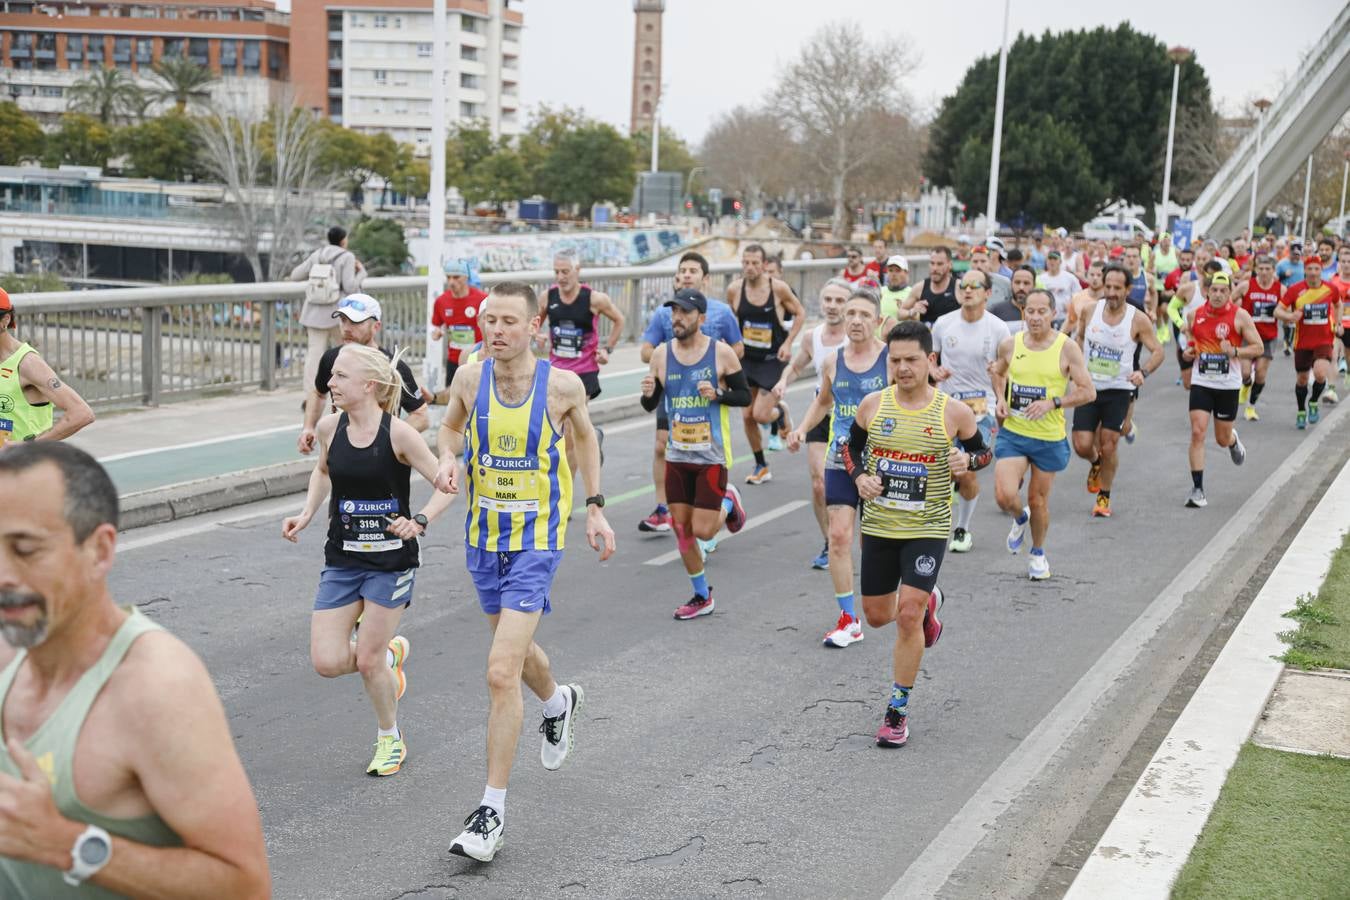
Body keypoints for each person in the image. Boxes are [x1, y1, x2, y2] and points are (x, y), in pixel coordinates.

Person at [0, 442, 270, 897]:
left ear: (100, 551)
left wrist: (66, 844)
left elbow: (246, 886)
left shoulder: (154, 686)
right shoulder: (10, 649)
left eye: (25, 550)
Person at [434, 282, 616, 863]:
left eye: (510, 321)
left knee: (498, 671)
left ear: (535, 326)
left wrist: (595, 508)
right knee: (519, 654)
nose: (497, 331)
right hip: (483, 539)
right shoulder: (469, 378)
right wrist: (447, 459)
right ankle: (558, 700)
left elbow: (586, 440)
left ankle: (491, 813)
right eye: (490, 321)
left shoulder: (561, 385)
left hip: (537, 539)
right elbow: (449, 428)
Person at [283, 344, 452, 776]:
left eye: (340, 376)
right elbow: (323, 471)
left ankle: (389, 738)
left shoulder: (398, 434)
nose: (331, 384)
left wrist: (419, 521)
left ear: (369, 386)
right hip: (342, 559)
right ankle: (389, 656)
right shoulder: (328, 428)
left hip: (389, 564)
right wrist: (306, 514)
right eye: (332, 376)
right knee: (326, 661)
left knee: (365, 662)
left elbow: (446, 486)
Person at [842, 320, 990, 747]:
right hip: (880, 526)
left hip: (927, 527)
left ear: (931, 361)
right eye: (895, 360)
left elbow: (982, 451)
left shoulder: (952, 412)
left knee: (907, 615)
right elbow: (849, 449)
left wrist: (968, 463)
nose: (903, 368)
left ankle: (897, 709)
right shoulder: (873, 405)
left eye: (911, 360)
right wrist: (860, 476)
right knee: (875, 615)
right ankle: (930, 602)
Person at [640, 289, 751, 620]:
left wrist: (718, 394)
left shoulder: (721, 354)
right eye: (674, 312)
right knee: (681, 528)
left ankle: (729, 500)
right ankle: (702, 595)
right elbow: (651, 403)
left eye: (685, 313)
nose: (677, 318)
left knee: (704, 531)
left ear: (701, 319)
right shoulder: (661, 355)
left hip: (709, 459)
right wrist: (647, 395)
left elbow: (744, 396)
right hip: (677, 457)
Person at [786, 287, 888, 646]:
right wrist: (800, 429)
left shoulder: (891, 360)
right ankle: (849, 618)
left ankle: (914, 598)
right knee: (840, 536)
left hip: (885, 463)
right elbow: (825, 401)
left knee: (882, 543)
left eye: (864, 315)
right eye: (851, 314)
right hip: (841, 457)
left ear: (877, 321)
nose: (856, 321)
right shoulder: (833, 361)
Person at [991, 289, 1096, 580]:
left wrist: (1053, 403)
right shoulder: (1010, 345)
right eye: (1030, 311)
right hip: (1014, 432)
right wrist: (1000, 397)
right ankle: (1018, 517)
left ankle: (1037, 553)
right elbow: (997, 372)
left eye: (1042, 312)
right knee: (1004, 495)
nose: (1035, 317)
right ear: (1023, 313)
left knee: (1037, 500)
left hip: (1048, 437)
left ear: (1053, 313)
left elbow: (1088, 392)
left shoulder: (1066, 348)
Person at [638, 252, 743, 535]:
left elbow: (738, 349)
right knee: (662, 445)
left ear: (705, 278)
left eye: (692, 270)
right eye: (682, 270)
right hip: (673, 388)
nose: (686, 275)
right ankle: (663, 508)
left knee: (702, 528)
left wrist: (716, 370)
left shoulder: (721, 312)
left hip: (707, 411)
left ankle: (722, 501)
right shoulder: (663, 314)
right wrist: (658, 366)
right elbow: (646, 350)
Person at [1071, 265, 1164, 517]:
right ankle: (1095, 462)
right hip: (1090, 388)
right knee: (1081, 445)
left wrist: (1142, 373)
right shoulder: (1090, 311)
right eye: (1108, 287)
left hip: (1119, 390)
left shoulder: (1137, 319)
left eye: (1117, 288)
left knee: (1109, 444)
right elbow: (1079, 339)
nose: (1111, 292)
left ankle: (1104, 497)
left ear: (1128, 289)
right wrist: (1076, 365)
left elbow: (1158, 351)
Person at [774, 278, 852, 569]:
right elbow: (797, 365)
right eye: (828, 300)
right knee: (820, 485)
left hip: (853, 418)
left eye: (839, 300)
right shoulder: (813, 336)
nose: (832, 306)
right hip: (822, 413)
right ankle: (830, 541)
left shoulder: (858, 337)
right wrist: (783, 381)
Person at [931, 268, 1010, 552]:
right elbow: (930, 356)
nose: (967, 290)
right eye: (963, 285)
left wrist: (1001, 398)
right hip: (946, 408)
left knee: (967, 470)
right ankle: (936, 520)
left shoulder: (998, 328)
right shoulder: (943, 324)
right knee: (942, 470)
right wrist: (934, 370)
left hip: (982, 409)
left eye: (975, 285)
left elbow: (1004, 368)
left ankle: (962, 528)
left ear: (987, 293)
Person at [298, 295, 428, 455]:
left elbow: (421, 415)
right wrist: (308, 427)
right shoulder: (331, 358)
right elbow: (319, 393)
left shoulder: (393, 366)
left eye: (355, 322)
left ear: (376, 326)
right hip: (341, 453)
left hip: (381, 462)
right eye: (343, 320)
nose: (346, 328)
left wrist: (389, 441)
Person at [1180, 272, 1261, 507]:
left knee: (1221, 438)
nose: (1217, 295)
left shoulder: (1240, 316)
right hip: (1202, 382)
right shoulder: (1195, 315)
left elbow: (1257, 347)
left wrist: (1235, 352)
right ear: (1207, 292)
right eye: (1213, 290)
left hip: (1227, 384)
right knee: (1197, 432)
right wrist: (1190, 352)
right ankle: (1198, 489)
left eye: (1222, 291)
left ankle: (1233, 441)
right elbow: (1192, 342)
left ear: (1229, 294)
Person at [727, 243, 805, 485]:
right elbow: (730, 322)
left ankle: (779, 412)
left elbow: (800, 313)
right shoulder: (734, 289)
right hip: (746, 360)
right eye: (745, 263)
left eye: (755, 263)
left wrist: (788, 343)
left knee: (761, 414)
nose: (750, 267)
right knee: (747, 416)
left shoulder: (778, 289)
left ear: (763, 265)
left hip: (772, 360)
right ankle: (761, 465)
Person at [0, 289, 95, 447]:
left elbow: (82, 413)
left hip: (25, 465)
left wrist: (28, 447)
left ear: (5, 319)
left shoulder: (27, 363)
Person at [537, 249, 625, 403]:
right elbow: (533, 322)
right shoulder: (547, 297)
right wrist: (536, 335)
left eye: (565, 272)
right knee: (556, 419)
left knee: (575, 420)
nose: (560, 277)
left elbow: (619, 320)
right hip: (557, 369)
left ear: (577, 270)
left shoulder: (594, 299)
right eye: (556, 272)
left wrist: (607, 349)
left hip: (584, 370)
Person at [292, 226, 366, 408]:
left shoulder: (318, 254)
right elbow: (350, 287)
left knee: (314, 354)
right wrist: (362, 272)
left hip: (313, 312)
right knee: (344, 353)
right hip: (337, 313)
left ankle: (310, 396)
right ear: (343, 240)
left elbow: (295, 276)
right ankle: (343, 392)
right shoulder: (347, 257)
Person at [1276, 255, 1344, 429]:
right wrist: (1290, 316)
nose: (1313, 273)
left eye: (1317, 269)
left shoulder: (1330, 289)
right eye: (1310, 269)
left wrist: (1338, 323)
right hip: (1303, 342)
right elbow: (1278, 311)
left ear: (1321, 270)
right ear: (1305, 270)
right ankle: (1301, 410)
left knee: (1320, 374)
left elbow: (1338, 304)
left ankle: (1313, 402)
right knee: (1302, 379)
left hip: (1324, 339)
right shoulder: (1295, 290)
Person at [430, 260, 488, 394]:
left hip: (477, 358)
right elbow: (435, 326)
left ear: (466, 277)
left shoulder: (482, 299)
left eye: (456, 277)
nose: (451, 282)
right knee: (453, 398)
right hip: (454, 360)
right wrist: (436, 332)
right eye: (448, 277)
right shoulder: (441, 301)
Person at [1235, 255, 1282, 420]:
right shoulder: (1246, 286)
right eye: (1261, 269)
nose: (1264, 272)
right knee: (1245, 372)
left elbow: (1288, 311)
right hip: (1248, 335)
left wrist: (1276, 310)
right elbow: (1229, 303)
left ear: (1273, 271)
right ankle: (1246, 384)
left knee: (1261, 375)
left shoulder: (1280, 289)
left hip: (1268, 338)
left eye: (1267, 269)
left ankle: (1251, 406)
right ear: (1255, 270)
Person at [900, 247, 960, 326]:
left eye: (940, 264)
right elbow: (900, 313)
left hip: (951, 337)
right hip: (928, 337)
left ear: (950, 265)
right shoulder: (920, 288)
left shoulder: (958, 287)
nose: (935, 268)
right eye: (932, 263)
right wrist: (912, 311)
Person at [1062, 259, 1106, 337]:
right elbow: (1070, 321)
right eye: (1092, 274)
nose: (1095, 278)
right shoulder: (1077, 297)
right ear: (1087, 275)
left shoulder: (1110, 300)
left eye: (1099, 275)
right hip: (1079, 342)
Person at [1036, 250, 1080, 325]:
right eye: (1050, 259)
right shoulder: (1040, 279)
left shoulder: (1070, 278)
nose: (1052, 261)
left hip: (1065, 319)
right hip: (1044, 319)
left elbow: (1079, 296)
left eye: (1055, 259)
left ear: (1060, 261)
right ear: (1046, 261)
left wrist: (1072, 306)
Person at [878, 255, 911, 329]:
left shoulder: (912, 293)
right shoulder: (880, 292)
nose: (893, 274)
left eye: (898, 270)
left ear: (906, 273)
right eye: (890, 270)